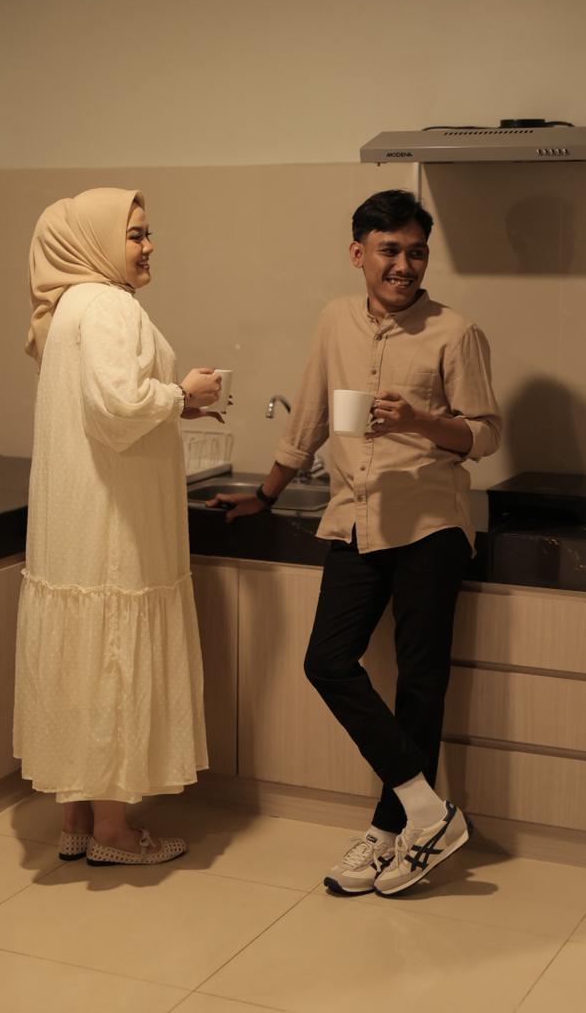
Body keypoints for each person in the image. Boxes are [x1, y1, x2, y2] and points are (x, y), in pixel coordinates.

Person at [211, 189, 501, 896]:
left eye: (416, 252)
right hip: (353, 517)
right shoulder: (335, 321)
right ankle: (426, 811)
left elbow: (485, 434)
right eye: (389, 250)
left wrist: (422, 421)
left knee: (420, 684)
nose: (404, 264)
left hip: (429, 523)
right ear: (357, 253)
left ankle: (392, 831)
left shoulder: (455, 332)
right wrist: (266, 494)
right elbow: (310, 417)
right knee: (327, 662)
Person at [14, 187, 224, 867]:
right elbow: (118, 406)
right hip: (115, 525)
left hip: (77, 521)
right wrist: (184, 392)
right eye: (135, 235)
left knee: (81, 659)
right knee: (110, 655)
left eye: (146, 232)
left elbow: (104, 403)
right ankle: (113, 832)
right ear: (98, 242)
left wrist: (175, 409)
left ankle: (76, 820)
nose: (148, 245)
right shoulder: (109, 306)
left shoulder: (69, 306)